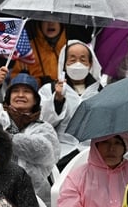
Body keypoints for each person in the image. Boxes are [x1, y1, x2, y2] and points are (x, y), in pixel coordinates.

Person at [0, 71, 60, 204]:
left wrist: (3, 137)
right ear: (8, 97)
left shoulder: (44, 127)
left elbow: (44, 152)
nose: (20, 95)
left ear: (35, 99)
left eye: (26, 91)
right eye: (15, 91)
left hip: (35, 197)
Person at [39, 40, 103, 168]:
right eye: (72, 60)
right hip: (61, 156)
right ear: (64, 63)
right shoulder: (49, 89)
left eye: (83, 59)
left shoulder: (101, 92)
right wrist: (57, 100)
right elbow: (43, 123)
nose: (77, 64)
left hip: (93, 154)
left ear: (90, 64)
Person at [12, 20, 68, 86]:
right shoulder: (27, 49)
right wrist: (36, 82)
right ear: (39, 24)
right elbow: (15, 80)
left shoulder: (71, 48)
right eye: (45, 20)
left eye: (55, 19)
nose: (51, 23)